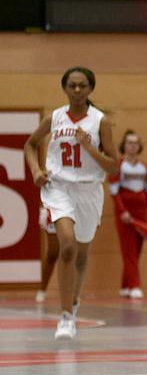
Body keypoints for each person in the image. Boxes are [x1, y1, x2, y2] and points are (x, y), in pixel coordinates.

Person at [24, 67, 119, 339]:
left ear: (90, 89)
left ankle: (73, 303)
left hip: (88, 191)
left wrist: (89, 147)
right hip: (59, 188)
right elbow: (30, 145)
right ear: (64, 88)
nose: (77, 90)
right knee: (67, 245)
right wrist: (36, 171)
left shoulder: (100, 122)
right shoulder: (54, 117)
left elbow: (113, 167)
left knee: (81, 253)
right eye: (72, 86)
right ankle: (65, 317)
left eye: (82, 86)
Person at [108, 130, 147, 299]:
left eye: (135, 143)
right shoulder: (118, 166)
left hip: (141, 214)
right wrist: (122, 211)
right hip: (125, 215)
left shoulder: (145, 168)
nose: (132, 146)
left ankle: (125, 286)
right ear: (124, 145)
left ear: (139, 146)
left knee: (136, 251)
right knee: (128, 250)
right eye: (129, 143)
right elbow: (114, 191)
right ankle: (135, 285)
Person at [35, 203, 59, 303]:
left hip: (73, 206)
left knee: (71, 251)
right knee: (53, 252)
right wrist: (43, 207)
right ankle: (42, 289)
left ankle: (73, 291)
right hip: (53, 207)